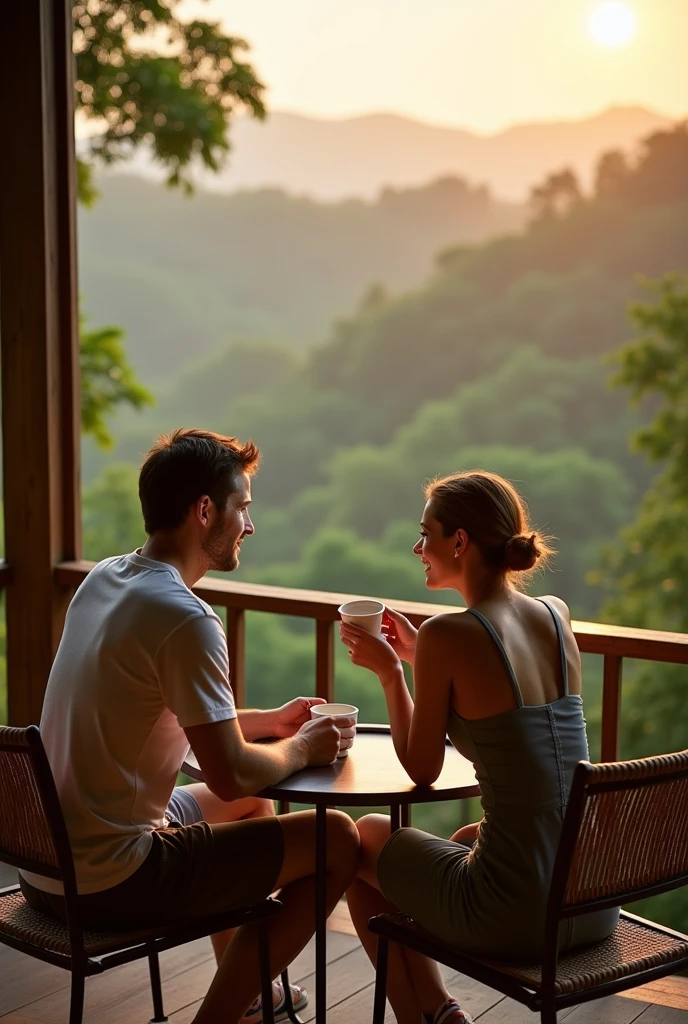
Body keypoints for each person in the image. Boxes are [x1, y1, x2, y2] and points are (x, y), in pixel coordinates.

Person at [19, 428, 359, 1024]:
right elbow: (229, 774)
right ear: (206, 511)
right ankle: (218, 1018)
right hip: (112, 877)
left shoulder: (103, 580)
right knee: (340, 841)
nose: (248, 526)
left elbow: (162, 715)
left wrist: (271, 722)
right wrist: (302, 748)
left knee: (255, 811)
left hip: (44, 862)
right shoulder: (185, 617)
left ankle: (250, 997)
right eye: (242, 509)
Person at [340, 470, 619, 1024]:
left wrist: (393, 676)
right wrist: (424, 658)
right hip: (589, 899)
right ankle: (441, 1015)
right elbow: (515, 730)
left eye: (426, 534)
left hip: (521, 916)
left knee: (364, 838)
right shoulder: (555, 615)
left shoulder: (450, 632)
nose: (418, 548)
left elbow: (421, 770)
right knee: (468, 837)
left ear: (460, 542)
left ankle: (426, 1017)